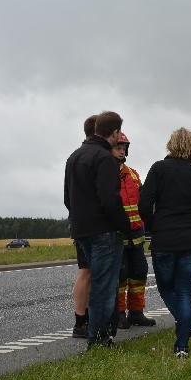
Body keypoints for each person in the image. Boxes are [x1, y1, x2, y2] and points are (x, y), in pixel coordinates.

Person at [139, 127, 191, 358]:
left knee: (166, 289)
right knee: (184, 292)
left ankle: (190, 332)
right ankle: (182, 345)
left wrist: (155, 225)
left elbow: (144, 205)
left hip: (164, 240)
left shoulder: (158, 169)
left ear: (170, 145)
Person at [65, 111, 132, 348]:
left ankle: (97, 332)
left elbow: (67, 199)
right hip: (104, 231)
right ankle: (99, 338)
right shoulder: (104, 158)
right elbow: (110, 200)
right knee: (104, 287)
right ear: (113, 133)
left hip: (81, 230)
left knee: (95, 280)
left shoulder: (74, 156)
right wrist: (125, 226)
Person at [110, 131, 156, 329]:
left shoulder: (134, 175)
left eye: (123, 148)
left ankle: (136, 312)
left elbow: (143, 203)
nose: (121, 152)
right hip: (116, 235)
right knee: (120, 276)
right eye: (118, 148)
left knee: (138, 273)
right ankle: (119, 314)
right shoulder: (106, 174)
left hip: (137, 234)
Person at [71, 114, 96, 338]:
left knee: (85, 272)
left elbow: (67, 198)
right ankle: (87, 321)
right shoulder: (97, 157)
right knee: (90, 273)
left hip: (78, 224)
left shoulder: (73, 157)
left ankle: (80, 320)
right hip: (96, 225)